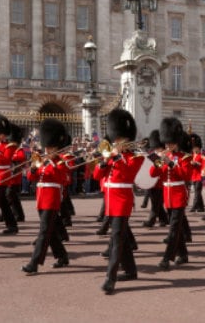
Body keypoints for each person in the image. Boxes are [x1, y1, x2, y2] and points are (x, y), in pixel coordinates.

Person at [93, 109, 144, 295]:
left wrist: (117, 156)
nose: (116, 142)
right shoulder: (111, 155)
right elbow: (97, 174)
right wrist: (105, 161)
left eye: (119, 139)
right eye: (115, 139)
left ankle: (110, 278)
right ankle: (130, 271)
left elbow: (129, 174)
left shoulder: (135, 157)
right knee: (119, 237)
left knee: (115, 239)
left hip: (122, 201)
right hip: (110, 200)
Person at [21, 118, 70, 275]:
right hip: (41, 198)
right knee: (52, 231)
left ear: (57, 147)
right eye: (47, 147)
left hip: (52, 198)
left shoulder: (60, 162)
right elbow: (30, 177)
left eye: (50, 147)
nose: (47, 150)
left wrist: (49, 164)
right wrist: (34, 170)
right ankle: (62, 256)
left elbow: (63, 179)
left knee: (43, 232)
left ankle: (34, 263)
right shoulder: (41, 160)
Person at [151, 118, 191, 270]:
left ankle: (167, 258)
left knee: (173, 229)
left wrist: (171, 164)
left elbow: (185, 175)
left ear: (176, 142)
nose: (167, 146)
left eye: (170, 143)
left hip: (179, 195)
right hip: (167, 196)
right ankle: (184, 254)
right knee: (177, 228)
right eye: (166, 143)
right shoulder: (164, 156)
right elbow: (153, 173)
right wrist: (157, 160)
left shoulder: (184, 158)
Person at [142, 130, 168, 228]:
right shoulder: (154, 154)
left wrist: (159, 159)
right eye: (156, 148)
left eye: (158, 148)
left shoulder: (164, 156)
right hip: (152, 182)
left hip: (160, 183)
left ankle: (151, 221)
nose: (157, 150)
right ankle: (164, 219)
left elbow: (161, 169)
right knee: (157, 204)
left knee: (155, 204)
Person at [189, 133, 205, 213]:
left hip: (200, 176)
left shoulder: (202, 154)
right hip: (194, 175)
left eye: (196, 148)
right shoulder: (193, 154)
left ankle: (194, 206)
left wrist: (197, 163)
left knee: (197, 192)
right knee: (197, 192)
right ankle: (201, 207)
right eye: (194, 148)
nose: (195, 149)